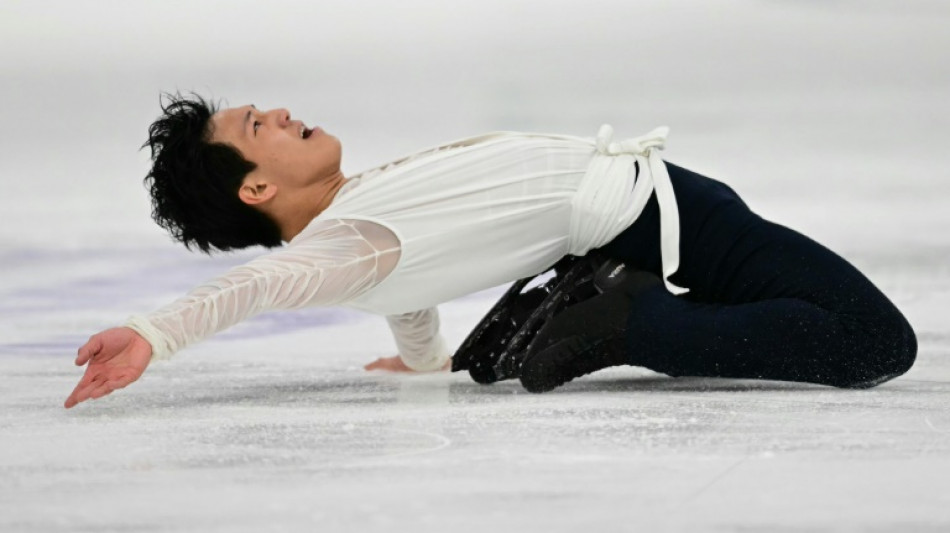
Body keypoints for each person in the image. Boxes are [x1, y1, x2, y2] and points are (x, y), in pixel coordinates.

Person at [63, 93, 917, 408]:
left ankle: (602, 301)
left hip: (648, 221)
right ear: (256, 189)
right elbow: (256, 283)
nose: (281, 111)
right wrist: (154, 332)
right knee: (873, 341)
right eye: (258, 127)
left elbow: (406, 274)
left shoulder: (355, 226)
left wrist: (422, 356)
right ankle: (621, 318)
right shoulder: (340, 242)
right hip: (664, 225)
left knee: (805, 322)